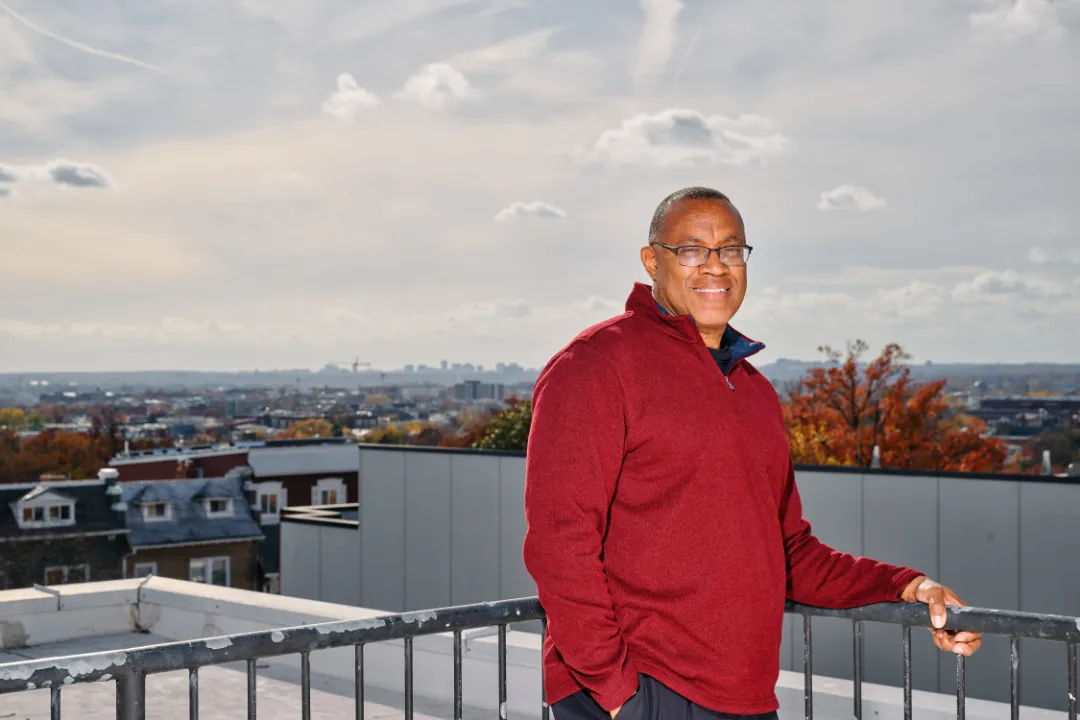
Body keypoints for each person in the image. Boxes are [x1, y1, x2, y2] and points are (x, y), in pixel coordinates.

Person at [521, 187, 982, 720]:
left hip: (744, 698)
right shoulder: (595, 365)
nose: (715, 267)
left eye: (731, 250)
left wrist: (907, 585)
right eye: (692, 249)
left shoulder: (753, 390)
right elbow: (560, 542)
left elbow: (791, 552)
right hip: (643, 690)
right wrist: (615, 689)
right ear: (653, 261)